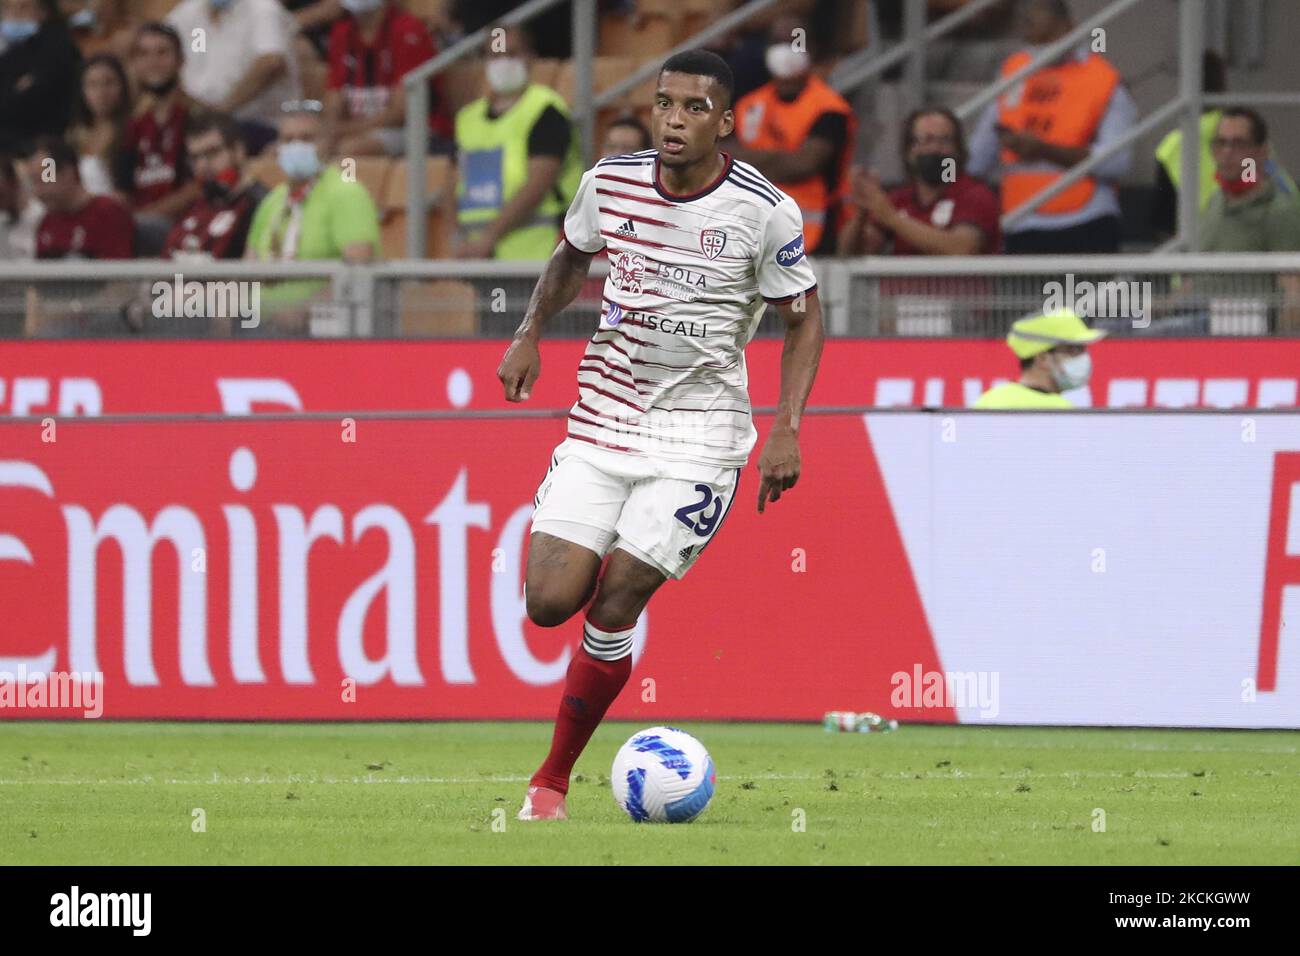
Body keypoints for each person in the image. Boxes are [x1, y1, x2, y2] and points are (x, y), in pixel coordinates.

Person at [497, 50, 823, 821]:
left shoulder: (764, 209)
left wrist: (787, 429)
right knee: (549, 603)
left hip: (701, 438)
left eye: (694, 108)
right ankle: (604, 581)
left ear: (726, 121)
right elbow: (571, 256)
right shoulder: (608, 181)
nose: (675, 120)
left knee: (615, 602)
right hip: (603, 422)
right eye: (665, 103)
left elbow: (804, 318)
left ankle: (550, 780)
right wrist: (530, 330)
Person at [967, 0, 1136, 254]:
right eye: (1025, 14)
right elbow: (977, 159)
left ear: (1066, 25)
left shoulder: (1102, 79)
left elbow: (1116, 161)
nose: (1026, 18)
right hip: (1021, 223)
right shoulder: (1014, 72)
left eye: (1037, 12)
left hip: (1086, 222)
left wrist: (1043, 150)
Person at [244, 100, 380, 332]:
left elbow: (358, 271)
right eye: (288, 140)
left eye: (307, 139)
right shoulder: (272, 201)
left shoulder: (346, 193)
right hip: (262, 328)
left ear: (326, 144)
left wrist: (304, 310)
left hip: (323, 330)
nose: (296, 147)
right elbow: (248, 270)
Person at [453, 24, 582, 260]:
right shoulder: (467, 119)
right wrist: (457, 241)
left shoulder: (545, 110)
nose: (503, 62)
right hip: (478, 258)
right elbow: (452, 185)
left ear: (530, 58)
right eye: (495, 55)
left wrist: (488, 238)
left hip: (537, 254)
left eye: (511, 53)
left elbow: (538, 184)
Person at [727, 14, 853, 254]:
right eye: (777, 42)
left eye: (795, 40)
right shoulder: (747, 105)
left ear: (812, 49)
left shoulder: (830, 108)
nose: (785, 49)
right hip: (754, 236)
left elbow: (802, 165)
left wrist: (746, 161)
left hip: (816, 237)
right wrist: (784, 158)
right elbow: (723, 157)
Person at [839, 107, 1001, 256]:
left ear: (957, 150)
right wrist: (862, 212)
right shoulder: (900, 199)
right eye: (926, 139)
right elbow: (850, 253)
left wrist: (892, 218)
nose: (936, 149)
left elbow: (962, 249)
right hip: (905, 288)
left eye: (945, 140)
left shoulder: (973, 194)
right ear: (909, 151)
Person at [166, 0, 301, 156]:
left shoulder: (263, 9)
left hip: (259, 125)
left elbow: (271, 63)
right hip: (200, 124)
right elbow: (156, 47)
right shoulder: (189, 13)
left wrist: (221, 111)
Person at [322, 0, 450, 158]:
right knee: (315, 148)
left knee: (350, 150)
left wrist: (344, 130)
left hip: (413, 128)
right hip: (358, 128)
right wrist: (330, 134)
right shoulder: (341, 32)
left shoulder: (408, 29)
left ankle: (349, 182)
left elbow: (399, 114)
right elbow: (334, 98)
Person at [125, 22, 202, 254]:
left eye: (162, 52)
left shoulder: (200, 117)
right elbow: (122, 188)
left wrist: (143, 217)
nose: (153, 61)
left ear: (181, 60)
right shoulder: (129, 127)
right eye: (144, 54)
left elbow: (199, 186)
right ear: (135, 64)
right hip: (138, 231)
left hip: (188, 228)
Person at [164, 111, 268, 259]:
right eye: (195, 158)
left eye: (212, 153)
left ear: (238, 151)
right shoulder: (195, 207)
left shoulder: (261, 205)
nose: (202, 166)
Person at [1198, 107, 1300, 253]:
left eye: (1238, 144)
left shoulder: (1280, 212)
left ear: (1261, 151)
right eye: (1221, 142)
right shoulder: (1215, 201)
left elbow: (1291, 275)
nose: (1227, 152)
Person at [973, 308, 1104, 409]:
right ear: (1042, 358)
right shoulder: (1062, 413)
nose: (1083, 358)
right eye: (1073, 350)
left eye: (1083, 350)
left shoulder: (988, 401)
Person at [0, 0, 82, 154]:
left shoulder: (58, 46)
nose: (15, 14)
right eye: (8, 8)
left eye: (23, 7)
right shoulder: (10, 53)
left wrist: (14, 94)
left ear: (43, 11)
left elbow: (36, 97)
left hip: (48, 147)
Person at [65, 52, 131, 197]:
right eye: (92, 85)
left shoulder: (133, 131)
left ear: (123, 86)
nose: (101, 92)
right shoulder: (73, 136)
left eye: (109, 83)